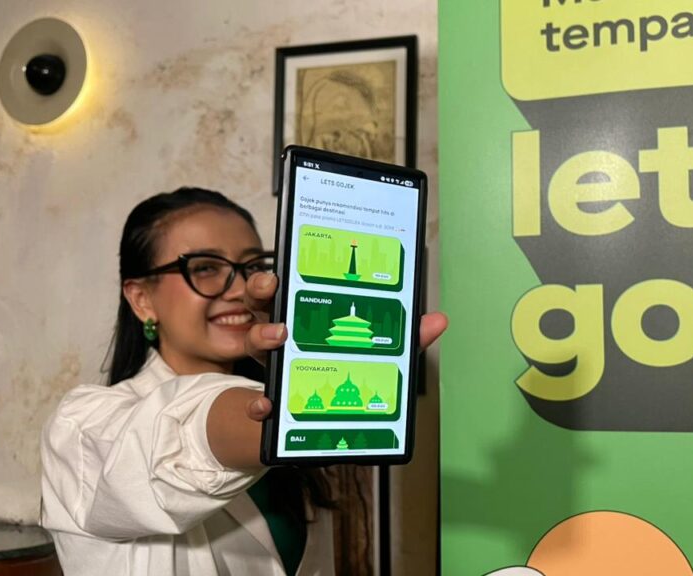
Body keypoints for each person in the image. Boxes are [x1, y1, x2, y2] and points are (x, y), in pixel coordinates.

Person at [40, 188, 447, 575]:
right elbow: (182, 433)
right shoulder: (83, 427)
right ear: (141, 299)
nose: (239, 288)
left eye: (253, 267)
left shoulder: (296, 459)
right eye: (204, 268)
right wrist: (330, 382)